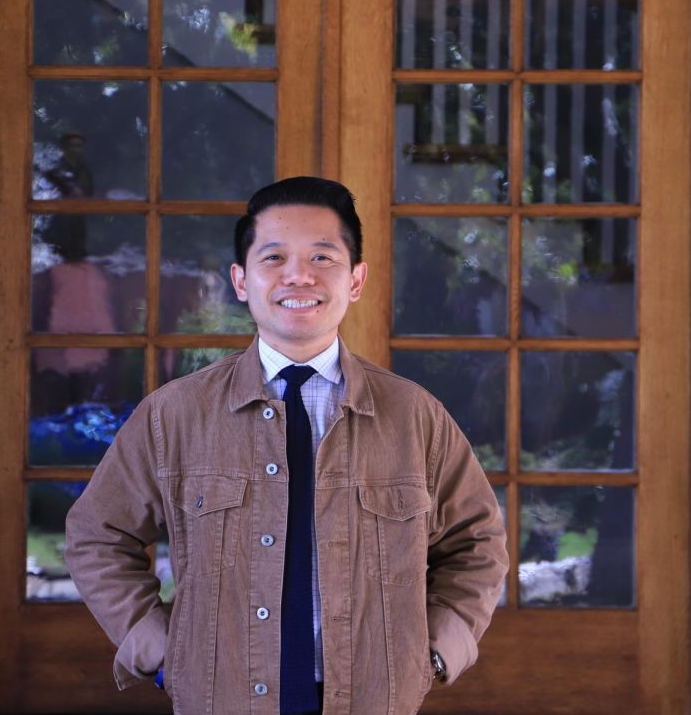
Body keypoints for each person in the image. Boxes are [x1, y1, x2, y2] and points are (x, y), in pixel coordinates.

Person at [65, 176, 508, 715]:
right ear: (241, 280)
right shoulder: (175, 415)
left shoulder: (413, 416)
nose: (299, 275)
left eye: (324, 257)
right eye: (273, 257)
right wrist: (159, 649)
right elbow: (97, 535)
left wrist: (436, 652)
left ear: (357, 279)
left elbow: (477, 541)